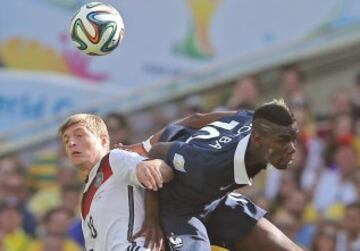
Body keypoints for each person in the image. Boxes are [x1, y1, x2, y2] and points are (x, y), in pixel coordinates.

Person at [124, 99, 303, 251]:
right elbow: (158, 151)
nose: (292, 148)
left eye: (293, 138)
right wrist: (151, 217)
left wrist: (144, 144)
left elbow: (197, 118)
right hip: (180, 211)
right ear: (257, 140)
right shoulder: (206, 163)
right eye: (283, 141)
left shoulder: (253, 119)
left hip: (216, 199)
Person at [58, 113, 172, 251]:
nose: (71, 143)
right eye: (66, 140)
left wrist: (152, 166)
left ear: (104, 140)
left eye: (79, 135)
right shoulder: (88, 189)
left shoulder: (115, 159)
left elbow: (163, 171)